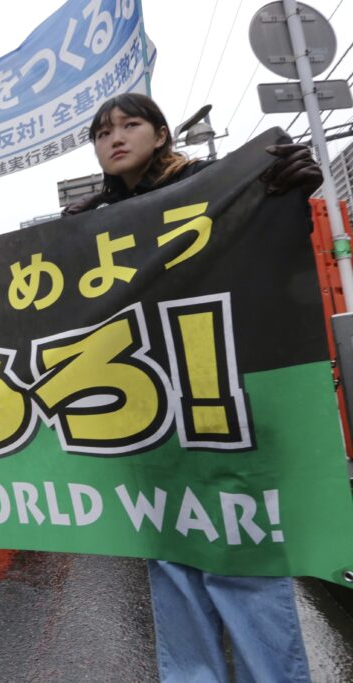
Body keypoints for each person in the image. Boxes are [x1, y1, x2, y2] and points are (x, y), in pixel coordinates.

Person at [67, 93, 322, 683]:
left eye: (131, 125)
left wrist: (282, 191)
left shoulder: (218, 184)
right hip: (144, 405)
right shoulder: (89, 225)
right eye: (103, 133)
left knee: (240, 545)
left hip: (220, 390)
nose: (115, 139)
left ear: (161, 134)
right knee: (170, 548)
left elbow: (265, 256)